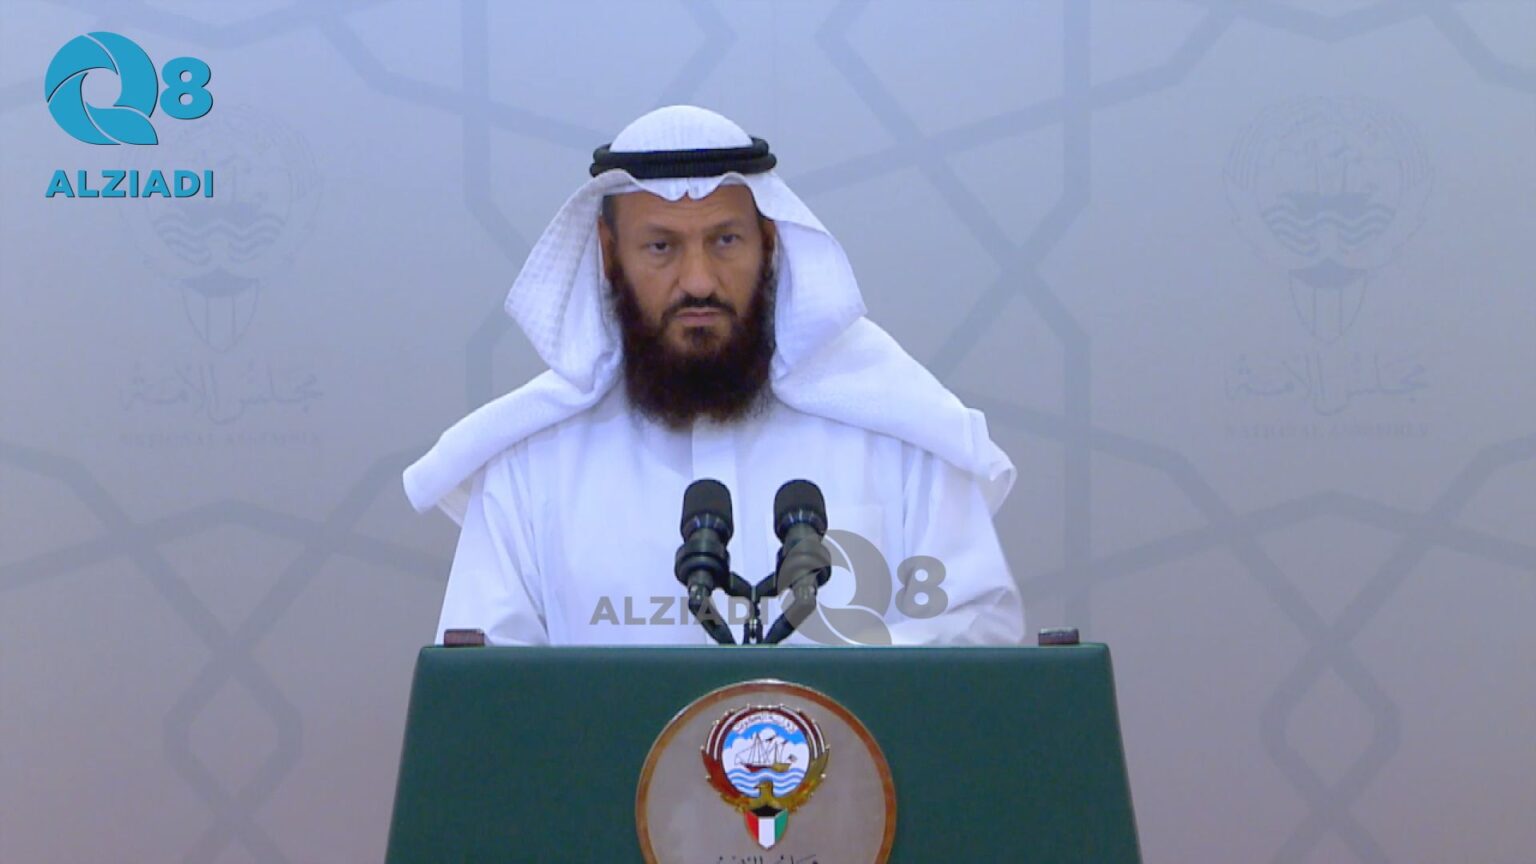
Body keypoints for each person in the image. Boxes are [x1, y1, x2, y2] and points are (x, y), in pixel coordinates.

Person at [404, 105, 1024, 646]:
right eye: (661, 247)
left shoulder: (895, 437)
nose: (698, 280)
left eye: (725, 240)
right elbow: (486, 689)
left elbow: (979, 637)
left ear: (769, 240)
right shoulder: (531, 468)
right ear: (609, 253)